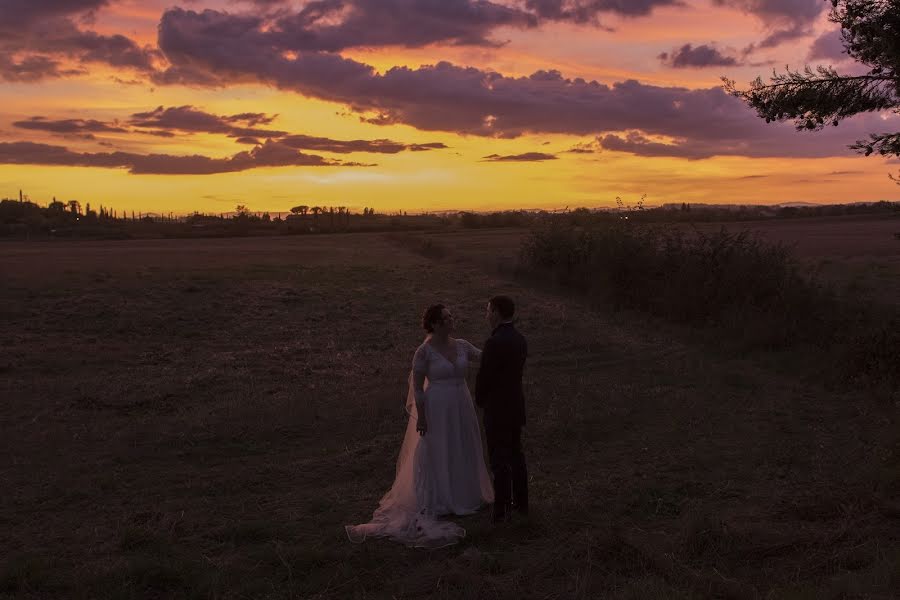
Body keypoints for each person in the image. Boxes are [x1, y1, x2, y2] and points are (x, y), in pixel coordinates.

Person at [345, 304, 494, 548]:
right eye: (446, 318)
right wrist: (422, 417)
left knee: (461, 445)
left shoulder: (462, 345)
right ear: (434, 324)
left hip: (460, 405)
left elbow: (487, 357)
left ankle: (463, 494)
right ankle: (440, 498)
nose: (451, 320)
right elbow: (417, 388)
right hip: (436, 408)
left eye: (451, 316)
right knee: (437, 449)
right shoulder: (423, 352)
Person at [475, 295, 528, 524]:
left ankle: (501, 509)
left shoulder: (494, 342)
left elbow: (484, 377)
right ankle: (522, 503)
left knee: (498, 458)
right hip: (515, 406)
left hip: (497, 409)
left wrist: (480, 399)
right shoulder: (519, 338)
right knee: (516, 455)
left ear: (496, 312)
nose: (486, 315)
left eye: (488, 311)